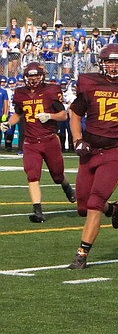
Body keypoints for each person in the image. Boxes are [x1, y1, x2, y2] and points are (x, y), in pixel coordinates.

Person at [66, 44, 118, 269]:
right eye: (109, 62)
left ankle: (82, 254)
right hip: (90, 150)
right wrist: (77, 140)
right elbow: (75, 114)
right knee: (83, 206)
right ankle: (113, 209)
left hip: (114, 151)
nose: (113, 66)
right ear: (101, 63)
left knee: (94, 203)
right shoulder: (89, 82)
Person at [2, 63, 75, 222]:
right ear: (25, 78)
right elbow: (18, 114)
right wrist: (8, 123)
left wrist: (50, 116)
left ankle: (67, 187)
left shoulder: (51, 90)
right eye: (30, 77)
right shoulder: (20, 93)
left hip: (49, 139)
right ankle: (38, 211)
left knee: (57, 176)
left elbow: (63, 115)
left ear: (42, 76)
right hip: (30, 142)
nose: (34, 80)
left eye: (36, 77)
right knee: (32, 175)